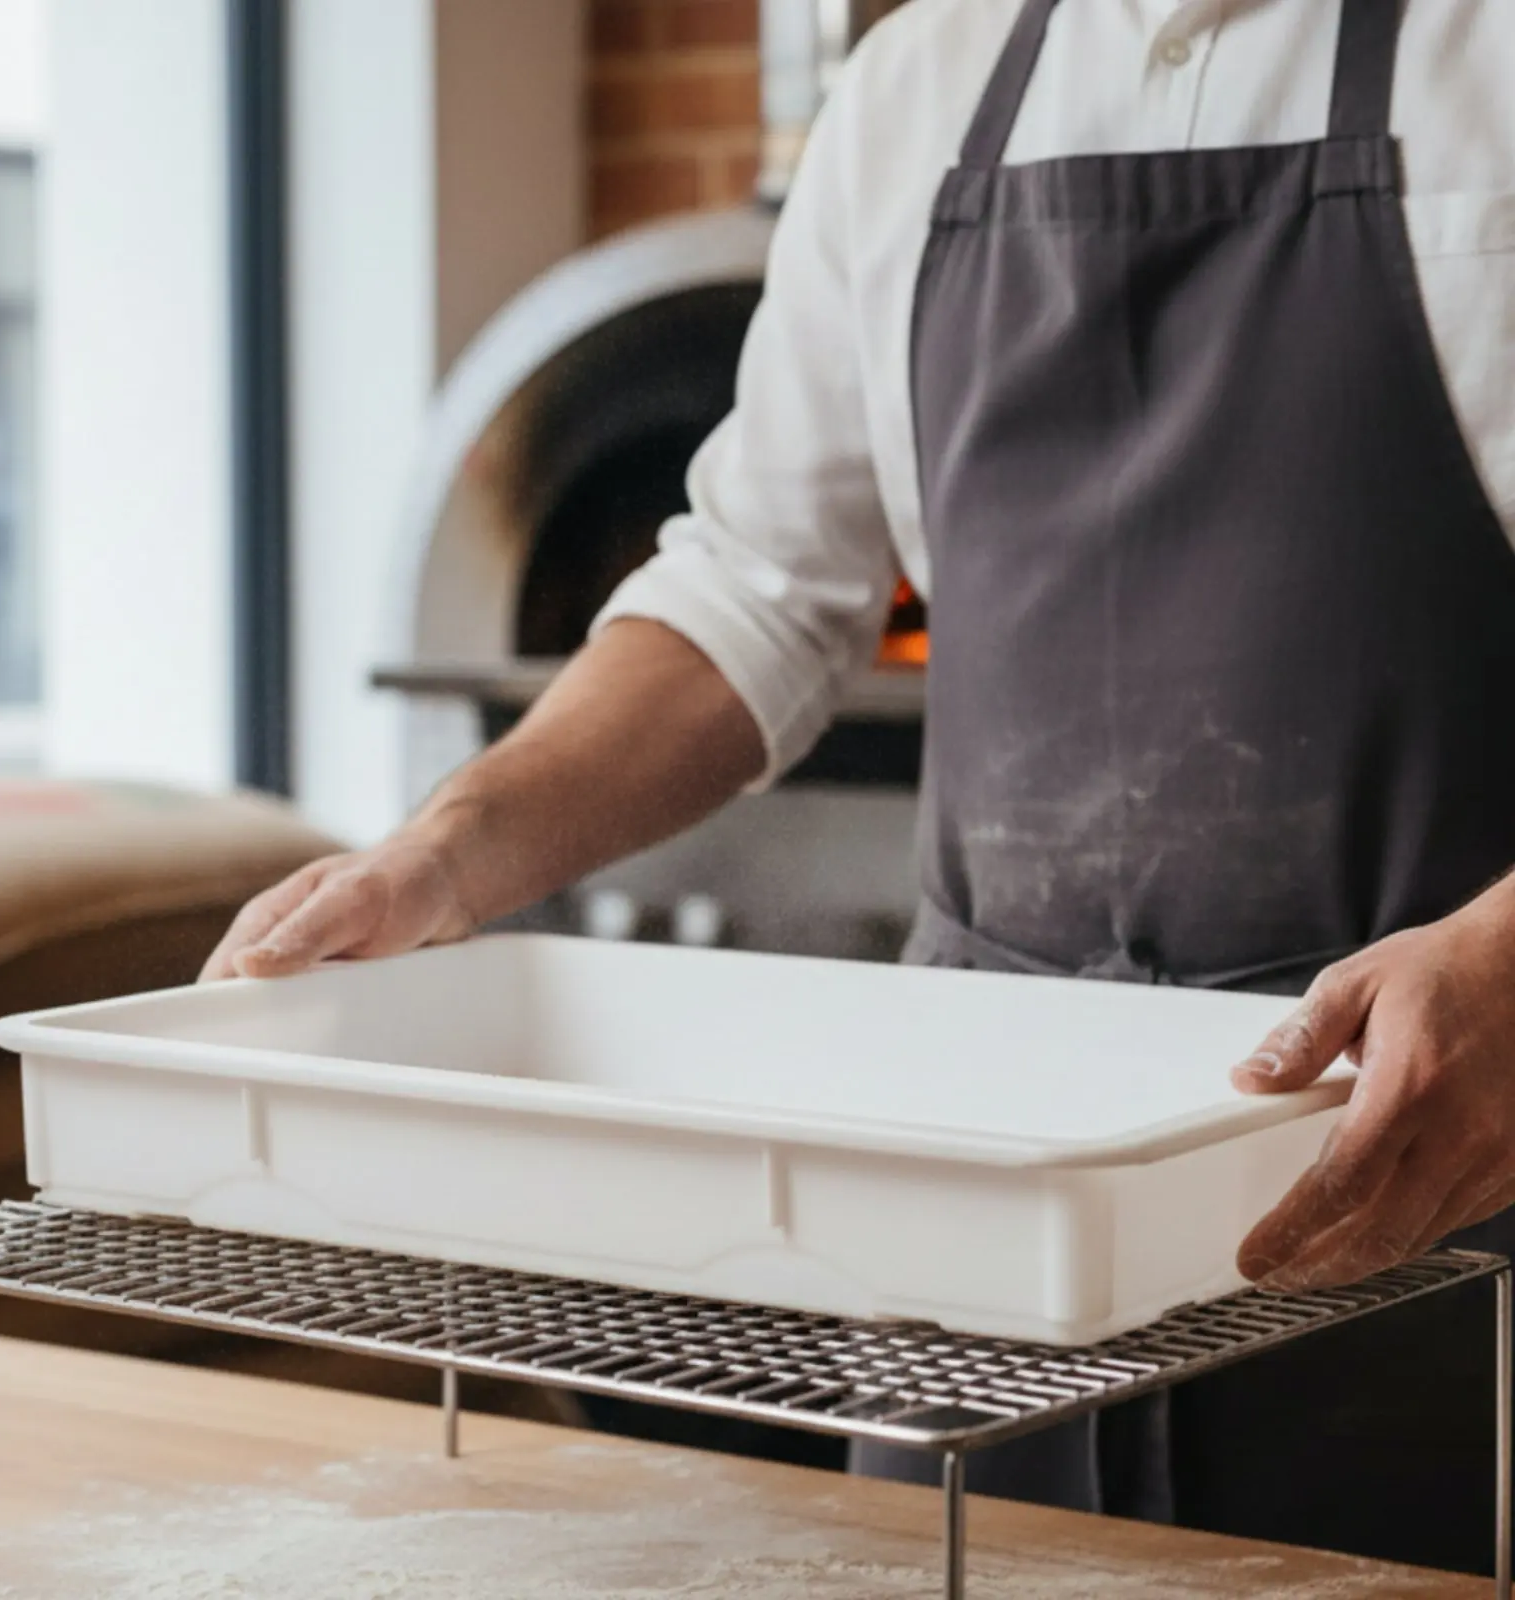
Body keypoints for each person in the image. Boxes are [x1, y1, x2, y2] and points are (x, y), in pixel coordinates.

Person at [205, 0, 1515, 1572]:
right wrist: (451, 849)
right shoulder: (917, 90)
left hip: (1440, 1195)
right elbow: (755, 588)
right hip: (977, 1237)